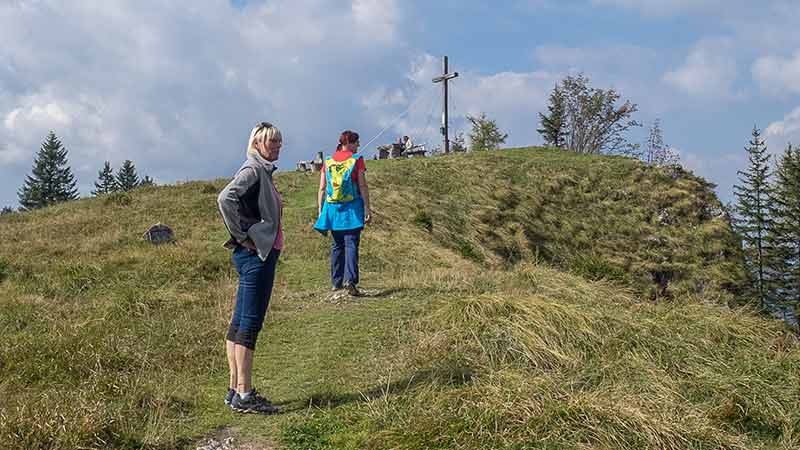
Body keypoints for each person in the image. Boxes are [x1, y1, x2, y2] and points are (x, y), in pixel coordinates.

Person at [217, 122, 284, 415]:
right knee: (249, 324)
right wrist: (244, 236)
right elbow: (225, 198)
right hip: (256, 256)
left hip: (256, 255)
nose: (278, 146)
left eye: (279, 141)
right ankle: (245, 395)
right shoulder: (253, 170)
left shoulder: (261, 171)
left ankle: (235, 390)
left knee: (240, 322)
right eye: (272, 142)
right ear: (257, 143)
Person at [314, 130, 371, 296]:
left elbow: (322, 188)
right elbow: (362, 186)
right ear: (350, 143)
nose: (358, 146)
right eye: (356, 143)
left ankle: (336, 282)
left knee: (337, 245)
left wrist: (320, 210)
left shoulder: (329, 161)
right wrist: (367, 207)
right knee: (351, 243)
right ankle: (350, 281)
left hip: (333, 209)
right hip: (352, 209)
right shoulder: (357, 160)